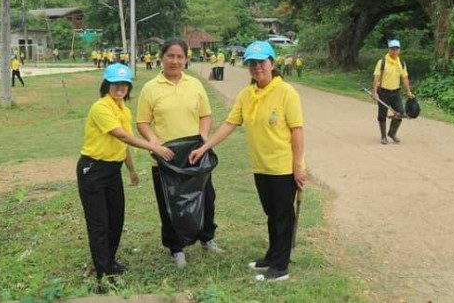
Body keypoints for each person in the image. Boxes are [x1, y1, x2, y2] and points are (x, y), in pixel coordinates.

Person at [188, 40, 307, 282]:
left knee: (283, 216)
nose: (257, 67)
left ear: (272, 63)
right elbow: (230, 124)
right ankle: (272, 256)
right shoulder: (246, 94)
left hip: (283, 167)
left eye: (261, 62)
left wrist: (297, 166)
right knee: (271, 214)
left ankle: (280, 267)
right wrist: (205, 147)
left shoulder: (287, 93)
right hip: (261, 166)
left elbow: (297, 131)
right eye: (252, 63)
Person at [77, 63, 174, 285]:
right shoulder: (100, 108)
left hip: (113, 170)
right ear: (107, 85)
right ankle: (103, 274)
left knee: (116, 219)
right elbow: (122, 135)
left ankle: (110, 261)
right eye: (115, 84)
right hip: (92, 170)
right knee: (99, 223)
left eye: (125, 85)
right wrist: (154, 147)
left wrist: (130, 169)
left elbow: (123, 144)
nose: (120, 88)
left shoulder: (124, 109)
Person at [136, 38, 223, 269]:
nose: (175, 61)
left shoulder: (194, 84)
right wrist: (154, 143)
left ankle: (207, 238)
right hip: (167, 157)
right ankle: (176, 249)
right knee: (169, 205)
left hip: (195, 153)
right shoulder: (150, 88)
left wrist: (204, 135)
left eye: (179, 57)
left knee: (206, 198)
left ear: (186, 59)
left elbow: (205, 115)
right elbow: (143, 122)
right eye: (170, 56)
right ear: (161, 58)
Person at [372, 39, 414, 144]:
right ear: (389, 49)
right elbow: (376, 78)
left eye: (396, 49)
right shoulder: (382, 62)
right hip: (383, 92)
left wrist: (408, 91)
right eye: (392, 49)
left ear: (399, 50)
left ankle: (392, 133)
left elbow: (404, 78)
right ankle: (383, 136)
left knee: (400, 113)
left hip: (396, 92)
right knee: (382, 115)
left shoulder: (401, 63)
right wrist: (374, 92)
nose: (394, 51)